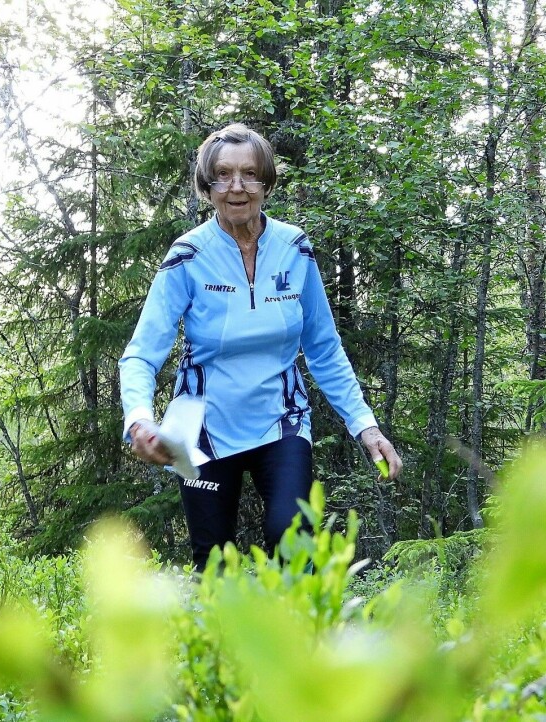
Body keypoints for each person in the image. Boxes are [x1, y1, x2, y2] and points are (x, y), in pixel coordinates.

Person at [119, 123, 402, 570]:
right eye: (223, 176)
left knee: (293, 538)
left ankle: (298, 638)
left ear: (267, 183)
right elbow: (142, 352)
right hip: (203, 432)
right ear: (206, 186)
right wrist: (138, 420)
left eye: (249, 174)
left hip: (281, 422)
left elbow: (324, 347)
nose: (237, 187)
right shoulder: (186, 255)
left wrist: (365, 426)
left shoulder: (295, 248)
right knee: (214, 564)